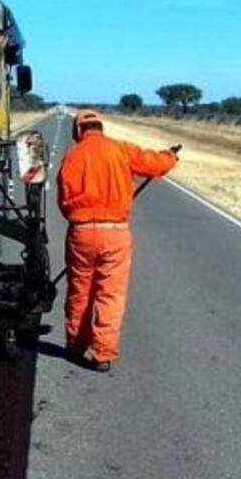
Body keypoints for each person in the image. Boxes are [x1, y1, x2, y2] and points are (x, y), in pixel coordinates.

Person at [56, 109, 178, 372]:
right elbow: (156, 165)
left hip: (81, 232)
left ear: (79, 130)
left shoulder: (71, 156)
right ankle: (103, 354)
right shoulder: (121, 149)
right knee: (110, 294)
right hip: (115, 232)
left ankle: (75, 344)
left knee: (80, 291)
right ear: (100, 127)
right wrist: (170, 155)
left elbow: (63, 202)